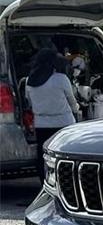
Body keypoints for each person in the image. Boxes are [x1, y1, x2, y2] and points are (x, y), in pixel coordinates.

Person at [25, 48, 80, 177]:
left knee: (44, 156)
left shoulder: (29, 81)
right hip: (63, 123)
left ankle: (45, 181)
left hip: (41, 124)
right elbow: (72, 101)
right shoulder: (61, 79)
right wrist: (77, 109)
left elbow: (29, 102)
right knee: (65, 156)